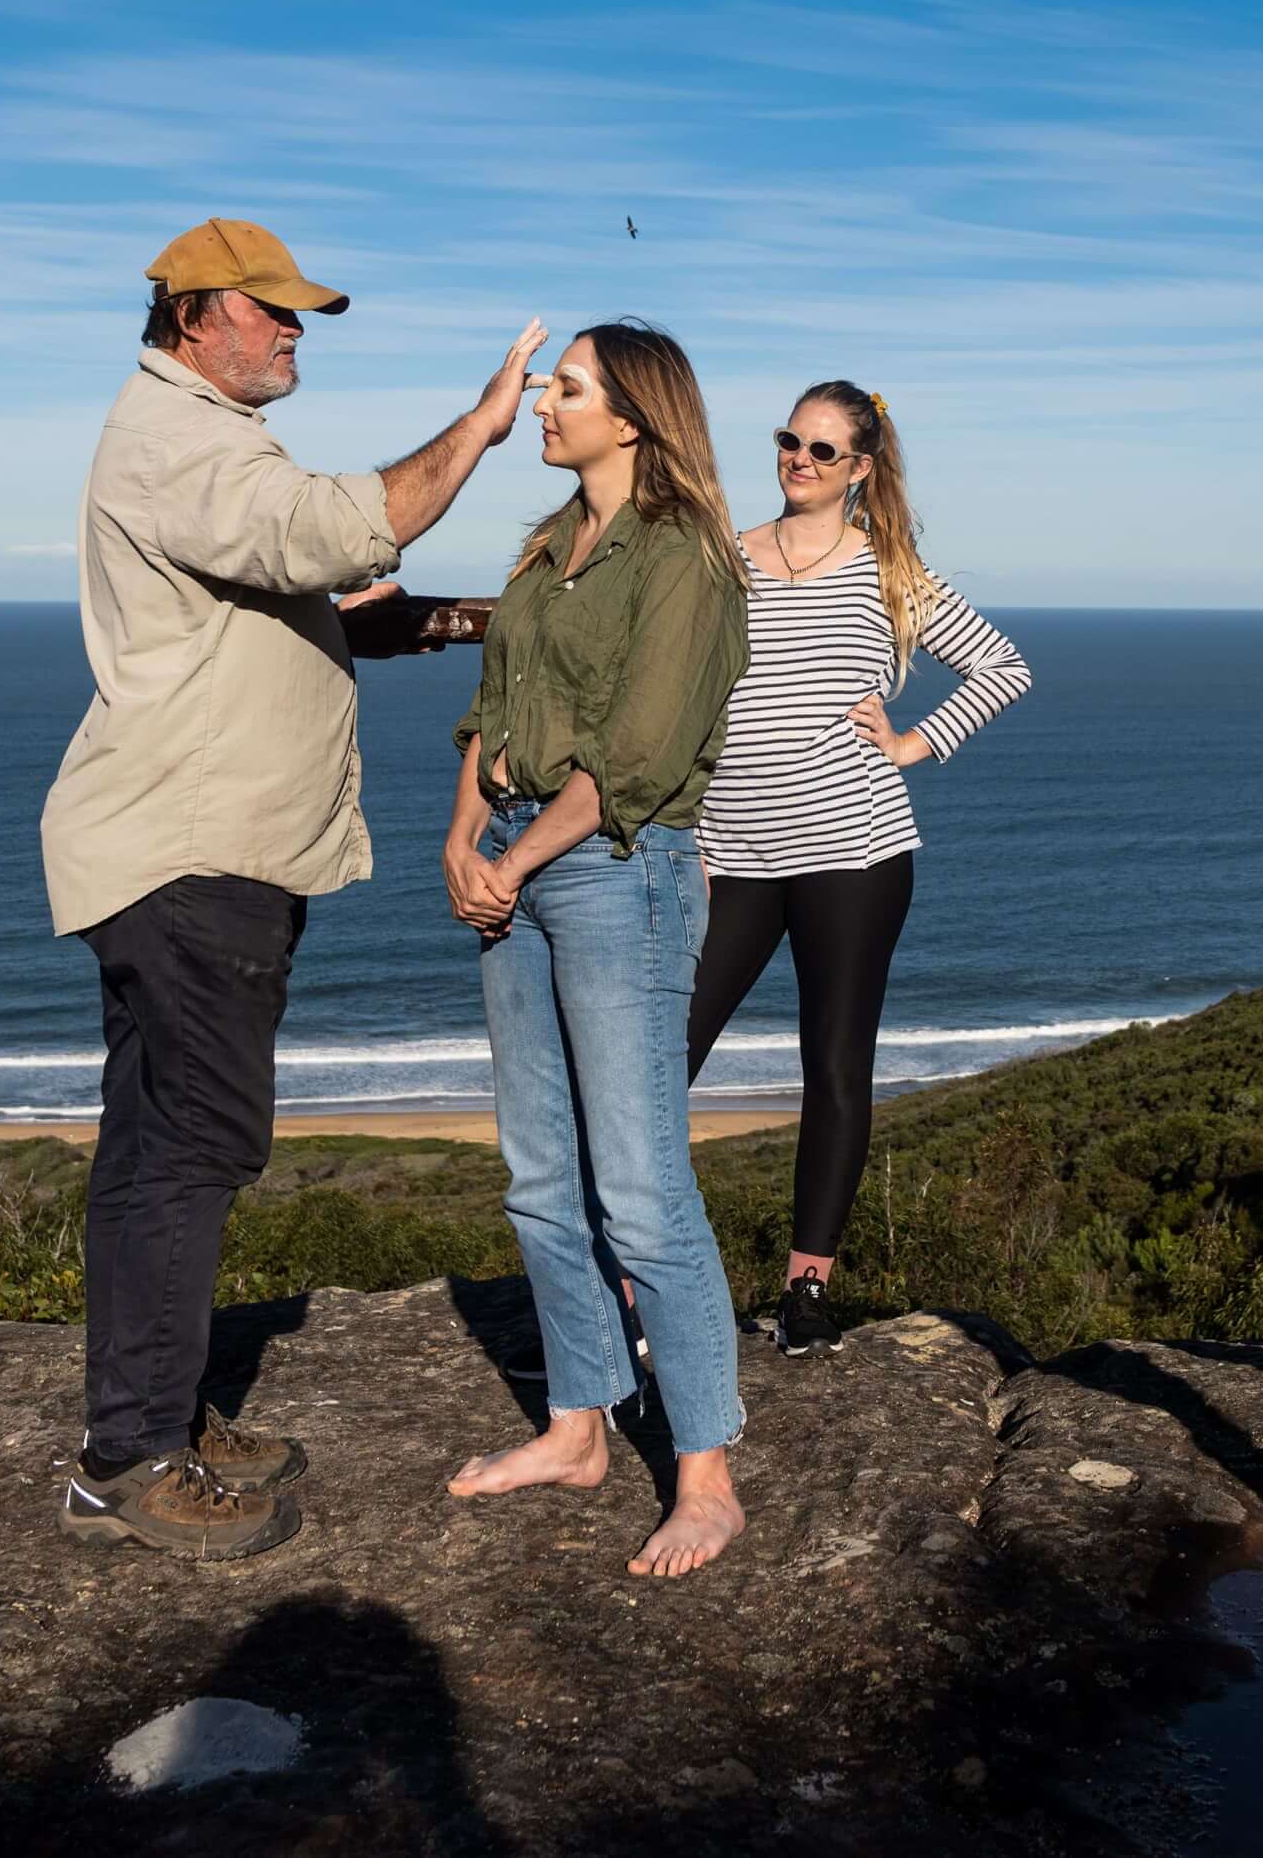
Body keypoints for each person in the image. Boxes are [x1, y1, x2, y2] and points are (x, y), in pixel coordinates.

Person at [44, 217, 548, 1562]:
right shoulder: (180, 444)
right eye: (274, 310)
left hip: (182, 848)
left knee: (157, 1143)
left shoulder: (200, 442)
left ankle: (151, 1414)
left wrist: (485, 618)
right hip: (193, 853)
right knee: (193, 1146)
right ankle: (131, 1456)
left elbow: (323, 596)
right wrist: (479, 427)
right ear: (198, 313)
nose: (293, 332)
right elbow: (338, 529)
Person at [441, 322, 757, 1578]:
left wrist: (511, 862)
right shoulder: (543, 549)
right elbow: (489, 713)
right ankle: (578, 1428)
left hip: (621, 872)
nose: (541, 405)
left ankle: (705, 1475)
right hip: (519, 857)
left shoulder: (683, 554)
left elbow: (635, 755)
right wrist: (464, 840)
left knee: (639, 1189)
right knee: (536, 1174)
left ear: (633, 415)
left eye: (564, 389)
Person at [686, 383, 1033, 1353]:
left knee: (833, 1069)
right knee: (661, 1055)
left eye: (824, 450)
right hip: (735, 856)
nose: (800, 459)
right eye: (790, 441)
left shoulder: (891, 570)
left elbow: (1004, 667)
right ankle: (643, 1275)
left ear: (862, 469)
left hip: (854, 852)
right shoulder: (726, 555)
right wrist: (693, 836)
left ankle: (806, 1289)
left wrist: (917, 743)